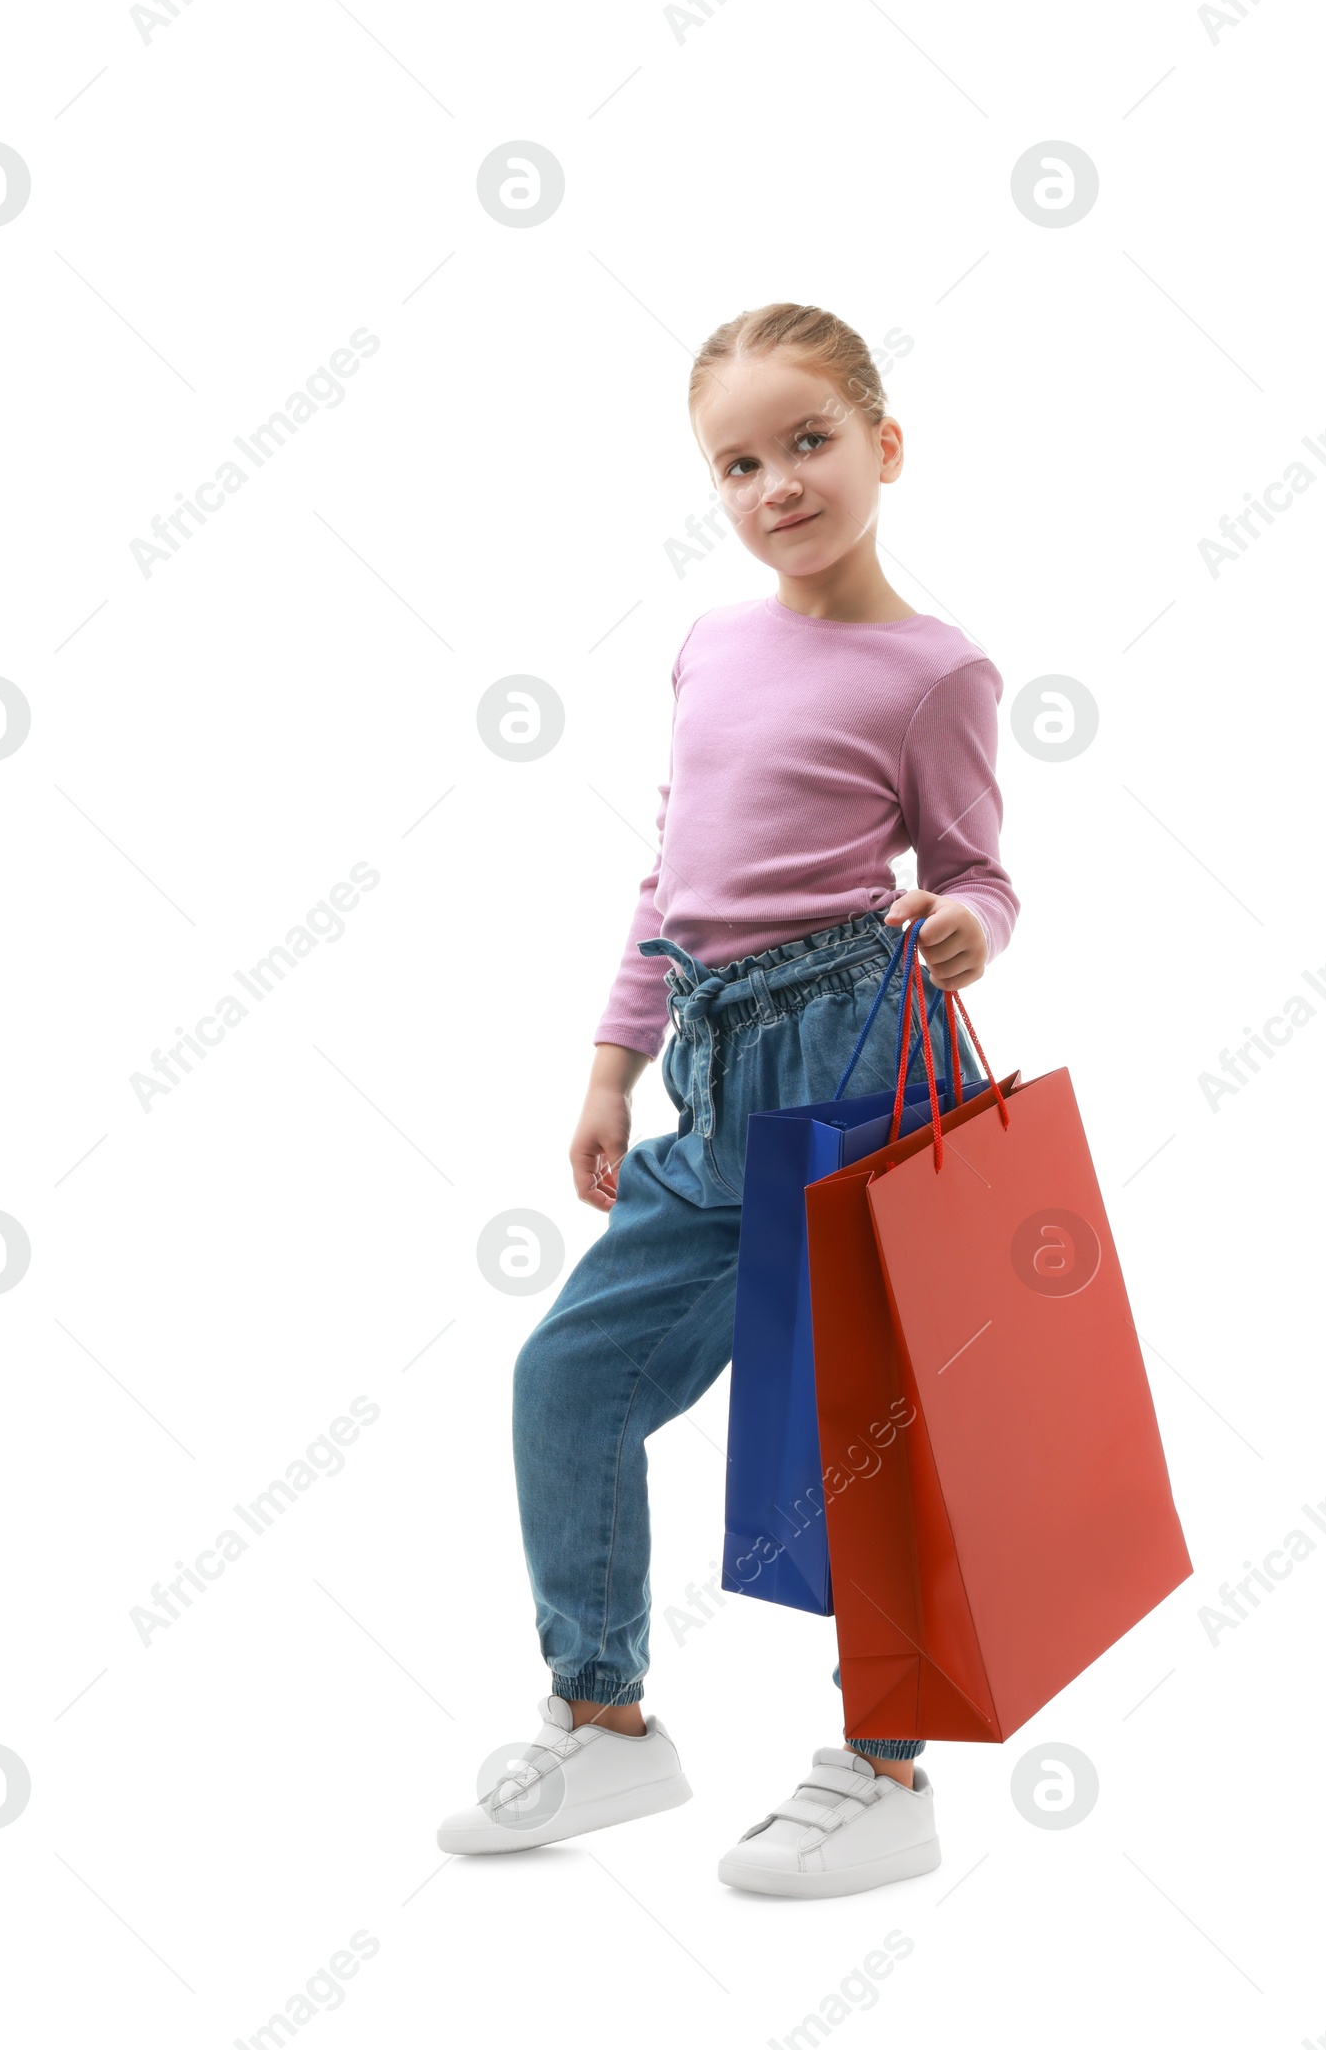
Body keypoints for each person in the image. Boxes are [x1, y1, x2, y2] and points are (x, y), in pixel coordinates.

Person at [437, 302, 1020, 1896]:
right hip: (712, 1068)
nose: (777, 484)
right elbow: (667, 879)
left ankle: (888, 1770)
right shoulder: (710, 644)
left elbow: (974, 872)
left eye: (809, 442)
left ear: (885, 447)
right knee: (570, 1378)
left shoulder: (937, 670)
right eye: (740, 462)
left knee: (862, 1434)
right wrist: (614, 1067)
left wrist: (974, 928)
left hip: (857, 1064)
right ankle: (608, 1722)